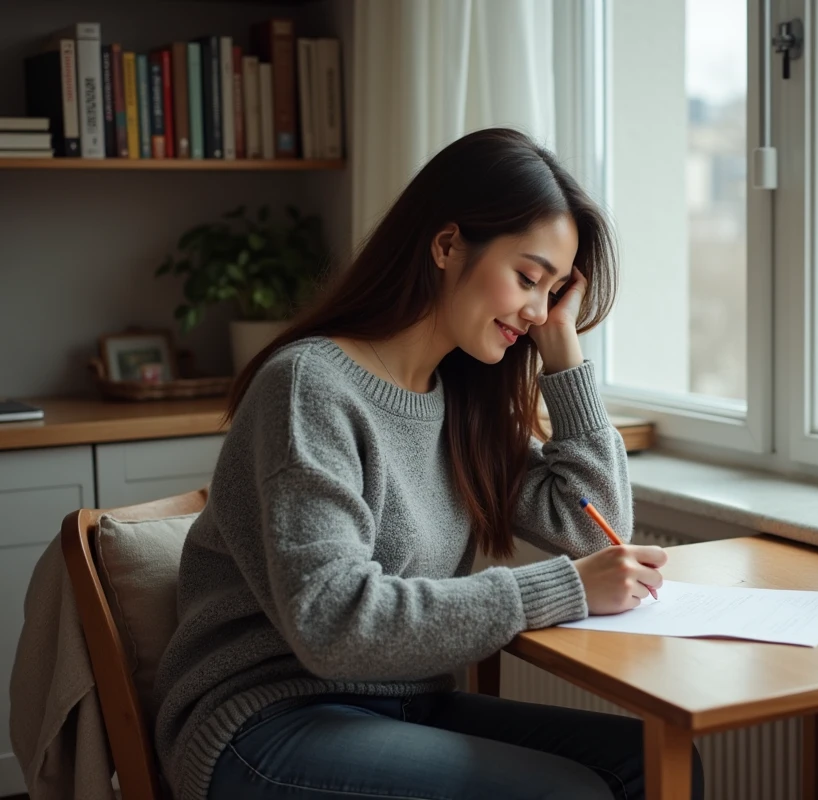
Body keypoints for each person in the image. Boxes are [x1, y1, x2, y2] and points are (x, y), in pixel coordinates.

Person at [151, 127, 705, 800]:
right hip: (266, 722)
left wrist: (564, 351)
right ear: (446, 246)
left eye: (554, 290)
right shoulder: (310, 387)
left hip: (402, 706)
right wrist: (562, 590)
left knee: (655, 765)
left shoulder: (460, 401)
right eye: (528, 279)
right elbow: (334, 624)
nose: (536, 310)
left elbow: (594, 529)